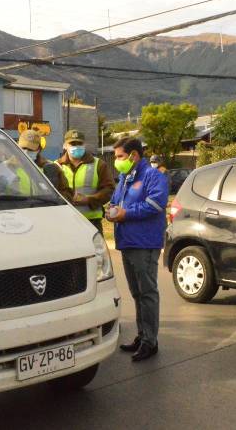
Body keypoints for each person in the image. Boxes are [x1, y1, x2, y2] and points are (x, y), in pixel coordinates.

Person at [106, 137, 168, 362]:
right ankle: (142, 336)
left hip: (145, 243)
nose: (117, 161)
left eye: (120, 156)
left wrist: (126, 214)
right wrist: (111, 210)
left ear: (134, 155)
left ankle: (150, 342)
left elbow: (156, 203)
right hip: (127, 242)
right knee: (137, 293)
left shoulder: (153, 176)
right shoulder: (124, 178)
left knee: (148, 293)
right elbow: (115, 202)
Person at [55, 130, 115, 235]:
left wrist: (89, 199)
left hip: (92, 222)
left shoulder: (99, 164)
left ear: (84, 144)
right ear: (65, 145)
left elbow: (109, 189)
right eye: (72, 144)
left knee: (95, 251)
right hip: (66, 221)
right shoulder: (56, 166)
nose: (76, 146)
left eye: (80, 143)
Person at [17, 130, 73, 202]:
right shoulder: (8, 167)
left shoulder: (52, 168)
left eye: (31, 149)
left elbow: (67, 192)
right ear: (17, 146)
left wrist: (56, 199)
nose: (26, 152)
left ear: (39, 149)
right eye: (23, 148)